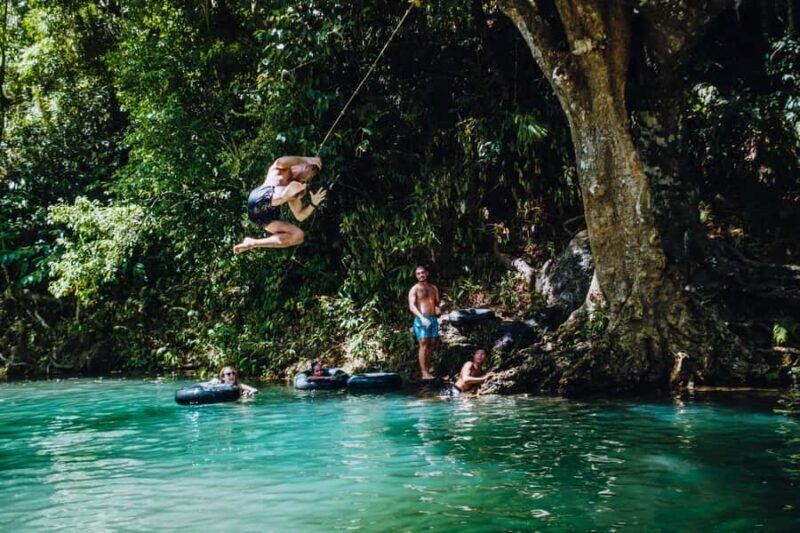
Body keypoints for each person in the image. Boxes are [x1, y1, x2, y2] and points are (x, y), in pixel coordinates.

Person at [233, 155, 327, 253]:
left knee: (298, 236)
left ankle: (253, 243)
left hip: (262, 217)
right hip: (259, 198)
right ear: (305, 166)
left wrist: (313, 204)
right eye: (307, 176)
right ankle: (285, 194)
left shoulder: (295, 187)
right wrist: (307, 159)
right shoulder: (284, 170)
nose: (305, 180)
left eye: (307, 180)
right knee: (291, 191)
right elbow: (280, 162)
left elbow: (300, 216)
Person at [408, 265, 441, 380]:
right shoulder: (414, 289)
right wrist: (422, 318)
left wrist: (442, 305)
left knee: (432, 344)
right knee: (423, 344)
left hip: (433, 319)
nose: (421, 275)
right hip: (422, 319)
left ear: (427, 273)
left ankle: (428, 370)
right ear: (416, 276)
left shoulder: (433, 288)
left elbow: (437, 303)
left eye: (422, 272)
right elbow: (412, 306)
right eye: (418, 273)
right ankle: (424, 373)